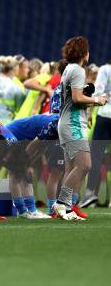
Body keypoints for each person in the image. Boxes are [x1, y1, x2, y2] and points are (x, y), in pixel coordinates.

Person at [52, 37, 107, 220]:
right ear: (84, 52)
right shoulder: (78, 70)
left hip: (68, 122)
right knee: (85, 164)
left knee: (71, 168)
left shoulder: (68, 69)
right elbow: (76, 98)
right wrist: (96, 100)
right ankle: (61, 203)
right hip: (72, 124)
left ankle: (67, 209)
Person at [81, 60, 110, 207]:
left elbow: (98, 92)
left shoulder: (105, 69)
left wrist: (91, 111)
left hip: (105, 115)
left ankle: (90, 193)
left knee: (96, 155)